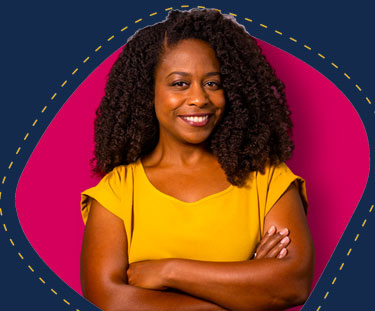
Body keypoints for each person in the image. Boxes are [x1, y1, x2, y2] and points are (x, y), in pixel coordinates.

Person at [80, 8, 314, 311]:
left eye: (213, 83)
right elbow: (108, 300)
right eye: (179, 83)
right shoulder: (119, 191)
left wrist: (167, 271)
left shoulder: (267, 178)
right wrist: (241, 291)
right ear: (147, 93)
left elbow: (291, 286)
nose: (200, 98)